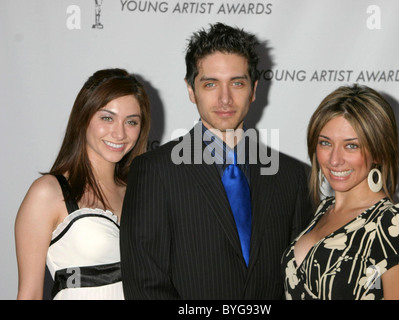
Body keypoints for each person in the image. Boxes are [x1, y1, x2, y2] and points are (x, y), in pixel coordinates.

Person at [120, 22, 313, 299]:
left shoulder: (292, 176)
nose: (225, 98)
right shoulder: (155, 171)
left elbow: (298, 281)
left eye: (237, 83)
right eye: (210, 84)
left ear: (254, 89)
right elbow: (145, 284)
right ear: (191, 90)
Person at [282, 84, 399, 300]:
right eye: (325, 143)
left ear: (379, 152)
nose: (334, 159)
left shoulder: (391, 223)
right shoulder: (323, 211)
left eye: (351, 146)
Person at [15, 68, 151, 299]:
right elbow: (30, 294)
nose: (119, 133)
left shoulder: (142, 192)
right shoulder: (48, 193)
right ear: (83, 117)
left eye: (131, 122)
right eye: (107, 118)